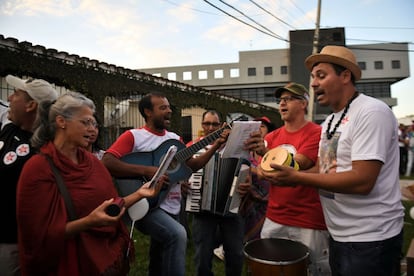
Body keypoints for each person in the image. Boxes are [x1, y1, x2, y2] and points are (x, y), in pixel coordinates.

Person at [258, 45, 405, 275]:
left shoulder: (371, 112)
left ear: (345, 75)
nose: (314, 83)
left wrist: (297, 177)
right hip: (338, 233)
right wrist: (280, 170)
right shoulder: (330, 122)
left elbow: (363, 181)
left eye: (321, 75)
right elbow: (321, 166)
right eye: (313, 77)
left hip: (370, 237)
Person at [16, 91, 165, 275]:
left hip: (101, 262)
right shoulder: (38, 169)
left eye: (94, 123)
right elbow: (37, 235)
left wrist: (139, 194)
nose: (92, 129)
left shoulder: (93, 162)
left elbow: (110, 207)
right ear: (62, 122)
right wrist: (88, 222)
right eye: (85, 122)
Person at [102, 93, 228, 276]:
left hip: (171, 204)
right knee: (177, 235)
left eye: (169, 107)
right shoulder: (134, 136)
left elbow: (192, 166)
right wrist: (146, 171)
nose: (169, 110)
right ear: (148, 112)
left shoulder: (175, 139)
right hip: (146, 205)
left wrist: (216, 144)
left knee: (160, 252)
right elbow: (107, 161)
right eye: (163, 108)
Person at [247, 83, 330, 275]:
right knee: (271, 270)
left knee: (313, 270)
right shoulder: (273, 135)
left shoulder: (316, 133)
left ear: (303, 103)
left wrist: (266, 155)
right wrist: (262, 165)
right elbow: (261, 170)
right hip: (275, 217)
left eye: (288, 99)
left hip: (308, 219)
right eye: (280, 100)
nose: (282, 103)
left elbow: (297, 164)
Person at [0, 75, 58, 276]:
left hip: (14, 244)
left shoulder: (48, 150)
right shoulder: (9, 129)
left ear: (30, 105)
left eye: (16, 94)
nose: (9, 99)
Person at [187, 110, 250, 276]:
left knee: (236, 255)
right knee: (202, 257)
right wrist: (181, 183)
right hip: (201, 208)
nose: (210, 127)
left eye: (215, 124)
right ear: (202, 125)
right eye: (207, 123)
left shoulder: (235, 148)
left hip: (231, 208)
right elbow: (181, 171)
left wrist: (246, 182)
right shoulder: (193, 147)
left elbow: (247, 171)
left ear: (221, 126)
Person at [239, 116, 275, 243]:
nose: (258, 129)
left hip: (266, 195)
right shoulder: (246, 147)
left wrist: (253, 170)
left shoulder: (272, 147)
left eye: (262, 126)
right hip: (248, 195)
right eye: (256, 126)